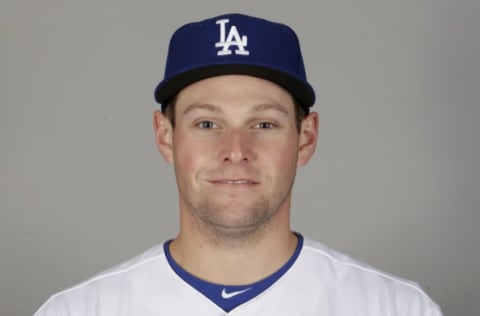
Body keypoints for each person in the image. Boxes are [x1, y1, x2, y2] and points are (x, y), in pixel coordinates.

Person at [34, 13, 443, 315]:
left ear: (306, 138)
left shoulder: (396, 308)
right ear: (166, 136)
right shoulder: (78, 311)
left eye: (264, 123)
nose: (235, 149)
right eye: (207, 123)